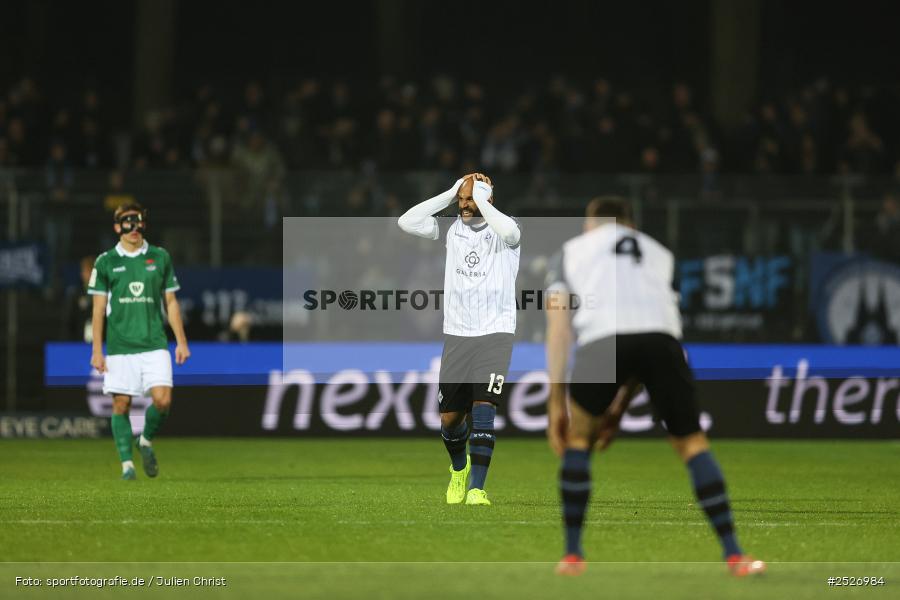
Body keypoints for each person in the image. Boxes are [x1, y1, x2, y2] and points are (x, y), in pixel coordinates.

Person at [544, 196, 765, 576]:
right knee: (693, 443)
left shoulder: (570, 252)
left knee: (579, 440)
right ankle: (735, 555)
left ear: (590, 225)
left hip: (601, 340)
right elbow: (648, 336)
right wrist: (617, 410)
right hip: (662, 342)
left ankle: (572, 556)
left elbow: (560, 328)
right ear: (630, 225)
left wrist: (554, 403)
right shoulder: (660, 254)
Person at [398, 173, 520, 506]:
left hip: (496, 333)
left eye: (472, 199)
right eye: (463, 200)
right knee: (451, 420)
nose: (465, 205)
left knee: (484, 410)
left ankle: (478, 489)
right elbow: (407, 221)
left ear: (487, 200)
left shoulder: (505, 231)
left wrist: (480, 196)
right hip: (458, 335)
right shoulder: (452, 229)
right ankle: (459, 469)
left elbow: (509, 230)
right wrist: (452, 191)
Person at [88, 203, 190, 480]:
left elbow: (171, 301)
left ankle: (144, 439)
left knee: (163, 401)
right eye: (127, 222)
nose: (133, 228)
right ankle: (127, 466)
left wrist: (181, 341)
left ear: (144, 224)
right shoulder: (106, 261)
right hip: (120, 347)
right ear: (117, 227)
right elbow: (98, 309)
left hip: (155, 343)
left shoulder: (159, 257)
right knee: (121, 404)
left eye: (138, 222)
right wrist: (97, 351)